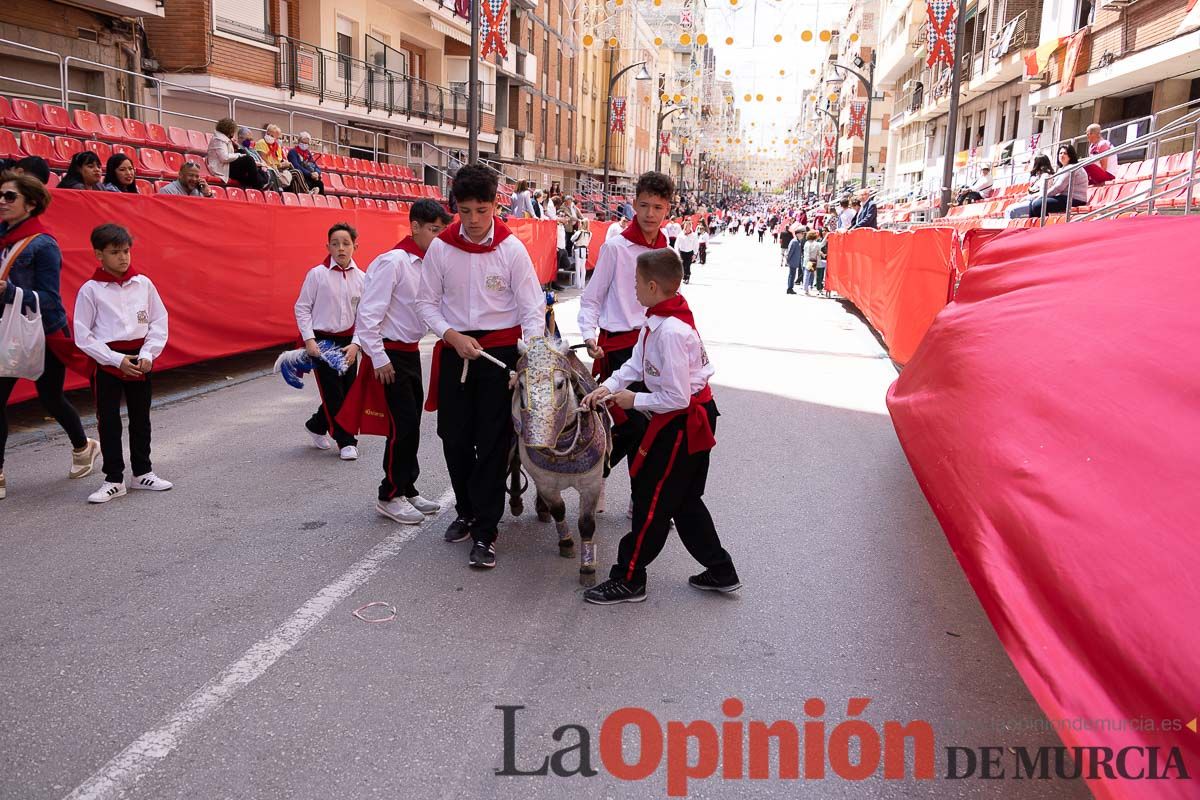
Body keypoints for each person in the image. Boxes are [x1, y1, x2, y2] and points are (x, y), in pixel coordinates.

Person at [579, 248, 740, 604]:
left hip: (682, 423)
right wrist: (607, 387)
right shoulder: (659, 318)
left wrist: (633, 400)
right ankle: (721, 570)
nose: (632, 288)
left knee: (652, 500)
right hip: (680, 418)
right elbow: (636, 366)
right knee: (683, 501)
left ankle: (630, 577)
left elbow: (678, 397)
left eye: (636, 282)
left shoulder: (670, 330)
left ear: (653, 286)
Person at [416, 164, 545, 569]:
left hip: (498, 357)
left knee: (492, 444)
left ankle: (487, 529)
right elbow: (425, 303)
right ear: (456, 207)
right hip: (456, 350)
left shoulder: (511, 249)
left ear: (495, 206)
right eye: (465, 210)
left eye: (481, 211)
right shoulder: (442, 247)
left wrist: (530, 359)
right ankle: (467, 512)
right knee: (454, 438)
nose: (472, 221)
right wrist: (451, 335)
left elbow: (532, 309)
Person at [342, 200, 452, 524]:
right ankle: (388, 495)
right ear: (415, 226)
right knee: (400, 427)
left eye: (441, 230)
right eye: (434, 230)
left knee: (412, 426)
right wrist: (378, 357)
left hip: (411, 352)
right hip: (389, 354)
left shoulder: (426, 264)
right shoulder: (393, 262)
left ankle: (407, 486)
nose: (438, 237)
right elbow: (368, 315)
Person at [0, 173, 101, 500]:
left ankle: (83, 446)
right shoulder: (3, 237)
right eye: (0, 195)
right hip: (6, 331)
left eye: (10, 196)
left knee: (51, 397)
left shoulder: (44, 244)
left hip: (40, 332)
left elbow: (49, 299)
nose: (2, 200)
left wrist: (11, 291)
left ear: (31, 204)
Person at [579, 170, 673, 510]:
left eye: (658, 208)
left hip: (658, 349)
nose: (650, 214)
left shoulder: (668, 251)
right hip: (619, 348)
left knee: (655, 425)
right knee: (629, 424)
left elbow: (672, 303)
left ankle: (641, 496)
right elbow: (591, 298)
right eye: (644, 205)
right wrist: (589, 337)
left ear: (668, 210)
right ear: (633, 204)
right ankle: (601, 475)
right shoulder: (615, 247)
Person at [74, 224, 172, 503]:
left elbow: (158, 321)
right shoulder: (90, 290)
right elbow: (83, 334)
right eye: (114, 252)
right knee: (109, 422)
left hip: (140, 358)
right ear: (98, 254)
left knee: (141, 418)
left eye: (126, 251)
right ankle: (113, 479)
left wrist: (149, 354)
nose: (123, 258)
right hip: (108, 362)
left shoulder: (144, 283)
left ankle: (142, 472)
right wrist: (116, 360)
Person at [294, 222, 365, 460]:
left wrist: (356, 343)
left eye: (346, 244)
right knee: (333, 393)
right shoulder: (317, 274)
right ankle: (346, 441)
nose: (341, 249)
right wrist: (309, 340)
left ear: (355, 246)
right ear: (328, 246)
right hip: (323, 342)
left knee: (348, 391)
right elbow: (302, 308)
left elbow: (365, 315)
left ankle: (316, 425)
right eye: (335, 244)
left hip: (348, 343)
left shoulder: (363, 278)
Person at [1012, 145, 1088, 218]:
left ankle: (1042, 227)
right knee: (1034, 204)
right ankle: (1037, 227)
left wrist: (1042, 196)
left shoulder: (1071, 167)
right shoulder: (1062, 169)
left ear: (1071, 155)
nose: (1062, 155)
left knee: (1037, 204)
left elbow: (1058, 188)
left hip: (1075, 199)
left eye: (1065, 153)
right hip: (1064, 197)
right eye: (1060, 153)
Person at [255, 124, 301, 192]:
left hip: (278, 169)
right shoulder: (261, 143)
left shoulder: (277, 147)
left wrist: (284, 164)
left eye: (272, 136)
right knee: (296, 173)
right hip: (269, 170)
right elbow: (263, 161)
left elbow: (278, 161)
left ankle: (298, 196)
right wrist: (279, 165)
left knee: (296, 172)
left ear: (276, 138)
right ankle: (305, 193)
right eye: (268, 134)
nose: (269, 136)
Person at [206, 118, 241, 183]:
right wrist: (238, 155)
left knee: (245, 156)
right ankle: (256, 184)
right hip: (219, 168)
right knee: (247, 160)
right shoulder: (219, 139)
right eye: (233, 131)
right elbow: (224, 157)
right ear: (229, 130)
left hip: (225, 166)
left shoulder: (226, 139)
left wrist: (237, 148)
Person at [570, 218, 592, 290]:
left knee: (578, 267)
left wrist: (575, 232)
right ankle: (582, 284)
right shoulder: (589, 233)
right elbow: (588, 242)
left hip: (578, 249)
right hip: (585, 250)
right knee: (583, 267)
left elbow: (572, 239)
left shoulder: (579, 232)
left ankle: (578, 284)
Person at [675, 220, 697, 284]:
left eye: (689, 226)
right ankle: (684, 277)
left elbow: (696, 245)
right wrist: (677, 253)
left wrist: (695, 254)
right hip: (682, 253)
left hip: (690, 253)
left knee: (688, 265)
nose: (687, 228)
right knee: (683, 265)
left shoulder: (694, 235)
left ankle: (687, 277)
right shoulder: (680, 235)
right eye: (686, 226)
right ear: (684, 227)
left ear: (690, 227)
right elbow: (676, 244)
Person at [784, 228, 805, 295]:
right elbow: (790, 252)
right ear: (797, 234)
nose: (802, 235)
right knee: (792, 275)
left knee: (793, 275)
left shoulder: (798, 241)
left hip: (795, 261)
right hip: (792, 261)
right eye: (802, 233)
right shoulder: (794, 242)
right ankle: (790, 288)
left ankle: (790, 287)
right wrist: (787, 260)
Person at [801, 230, 822, 296]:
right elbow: (818, 251)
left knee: (806, 275)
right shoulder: (816, 244)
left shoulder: (806, 243)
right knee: (810, 275)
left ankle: (806, 288)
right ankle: (807, 288)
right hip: (812, 261)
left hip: (806, 260)